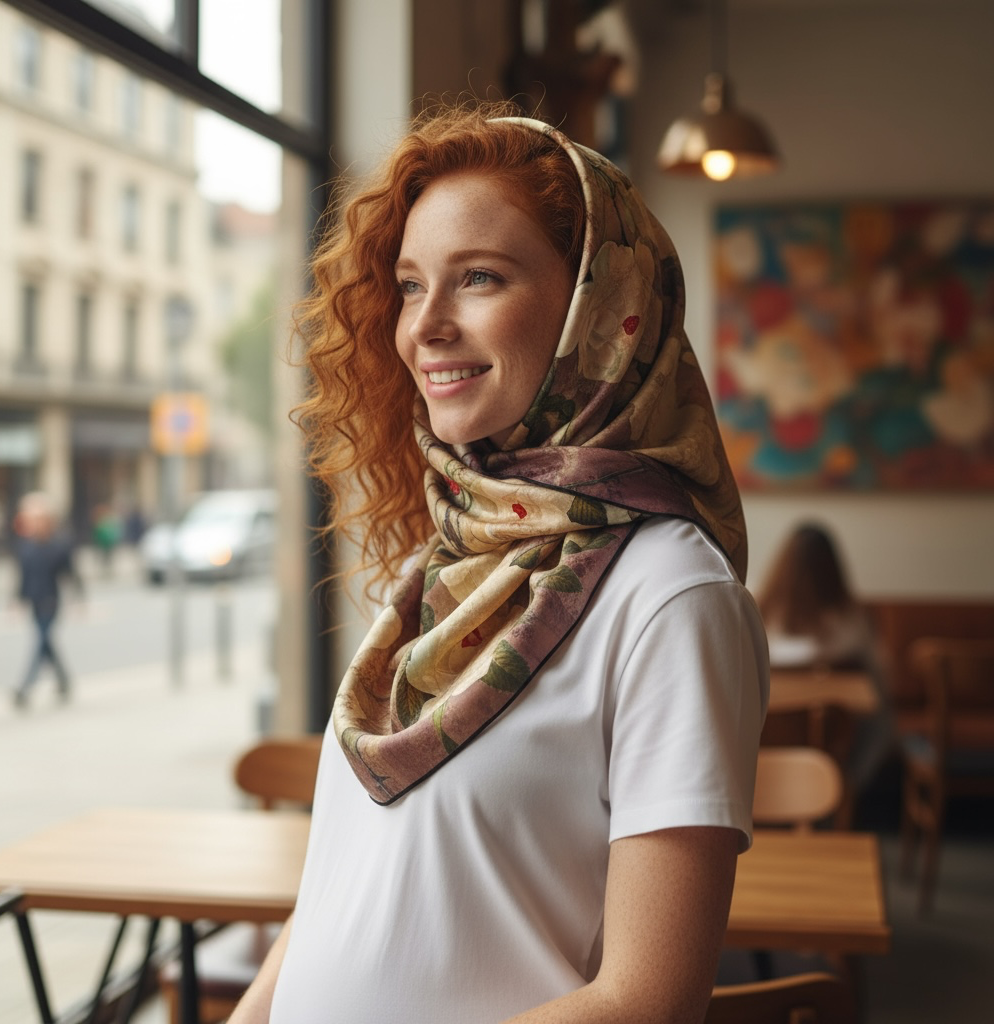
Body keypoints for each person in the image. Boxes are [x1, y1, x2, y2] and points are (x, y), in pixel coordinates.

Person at [230, 101, 769, 1024]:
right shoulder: (445, 567)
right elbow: (346, 887)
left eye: (478, 277)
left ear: (600, 313)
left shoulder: (671, 596)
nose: (424, 325)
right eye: (407, 286)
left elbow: (651, 999)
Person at [757, 521, 893, 792]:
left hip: (766, 752)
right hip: (836, 751)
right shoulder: (852, 623)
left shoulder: (760, 617)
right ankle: (845, 793)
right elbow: (882, 686)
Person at [11, 491, 83, 707]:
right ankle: (64, 680)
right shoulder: (26, 546)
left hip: (50, 601)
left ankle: (25, 688)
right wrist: (18, 600)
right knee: (47, 643)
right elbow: (23, 576)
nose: (34, 523)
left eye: (38, 518)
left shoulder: (59, 544)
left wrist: (80, 598)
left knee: (41, 642)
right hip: (34, 599)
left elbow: (71, 573)